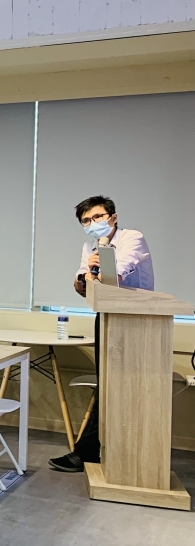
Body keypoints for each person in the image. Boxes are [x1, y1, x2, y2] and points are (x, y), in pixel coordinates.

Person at [50, 195, 154, 473]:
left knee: (127, 386)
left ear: (113, 217)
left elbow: (115, 276)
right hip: (107, 317)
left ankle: (98, 453)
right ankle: (91, 453)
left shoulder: (132, 238)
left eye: (97, 217)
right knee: (106, 385)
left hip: (139, 320)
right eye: (86, 221)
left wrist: (93, 272)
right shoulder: (89, 247)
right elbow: (81, 286)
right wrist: (85, 276)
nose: (92, 223)